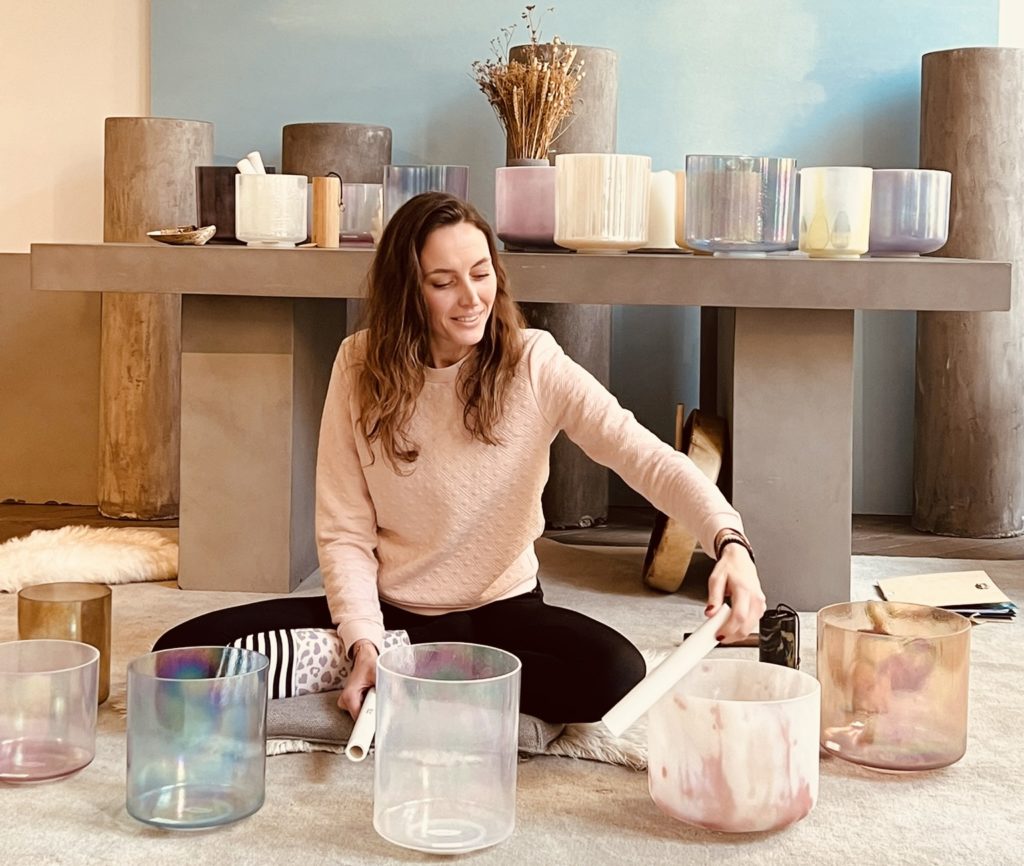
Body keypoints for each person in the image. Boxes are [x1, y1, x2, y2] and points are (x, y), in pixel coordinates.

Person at [154, 191, 766, 724]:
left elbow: (645, 456)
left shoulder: (534, 362)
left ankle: (411, 678)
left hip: (504, 616)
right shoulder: (357, 364)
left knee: (614, 673)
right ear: (407, 291)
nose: (470, 297)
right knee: (178, 652)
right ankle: (403, 669)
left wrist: (729, 541)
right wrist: (364, 638)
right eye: (443, 282)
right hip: (395, 615)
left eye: (481, 273)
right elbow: (343, 530)